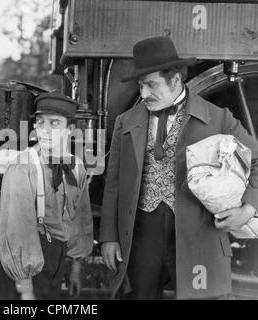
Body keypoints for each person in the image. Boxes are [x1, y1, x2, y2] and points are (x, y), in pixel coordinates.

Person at [99, 36, 258, 300]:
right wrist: (109, 236)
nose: (144, 94)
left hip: (199, 237)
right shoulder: (125, 122)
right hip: (141, 239)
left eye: (151, 85)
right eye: (140, 86)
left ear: (175, 80)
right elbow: (113, 183)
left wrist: (248, 209)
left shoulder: (218, 118)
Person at [0, 93, 94, 300]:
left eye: (55, 123)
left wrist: (75, 269)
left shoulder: (76, 167)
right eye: (40, 123)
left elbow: (80, 221)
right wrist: (25, 289)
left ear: (70, 130)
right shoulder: (23, 167)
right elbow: (17, 229)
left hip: (56, 260)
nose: (45, 131)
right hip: (26, 264)